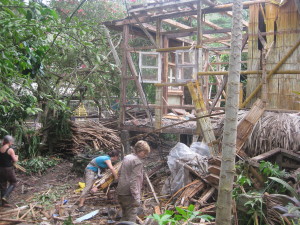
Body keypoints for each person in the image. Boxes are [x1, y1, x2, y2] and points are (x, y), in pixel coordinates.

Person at [116, 140, 151, 222]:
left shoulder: (127, 157)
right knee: (131, 216)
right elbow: (133, 181)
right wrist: (136, 197)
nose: (145, 155)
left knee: (125, 214)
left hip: (121, 190)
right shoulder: (137, 162)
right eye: (144, 152)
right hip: (129, 193)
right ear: (140, 151)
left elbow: (120, 172)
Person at [0, 135, 18, 207]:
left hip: (1, 169)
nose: (12, 143)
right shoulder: (10, 150)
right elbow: (15, 160)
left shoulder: (0, 149)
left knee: (3, 185)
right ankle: (5, 196)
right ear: (9, 141)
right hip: (8, 169)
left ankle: (3, 203)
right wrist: (17, 157)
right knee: (14, 182)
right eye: (12, 142)